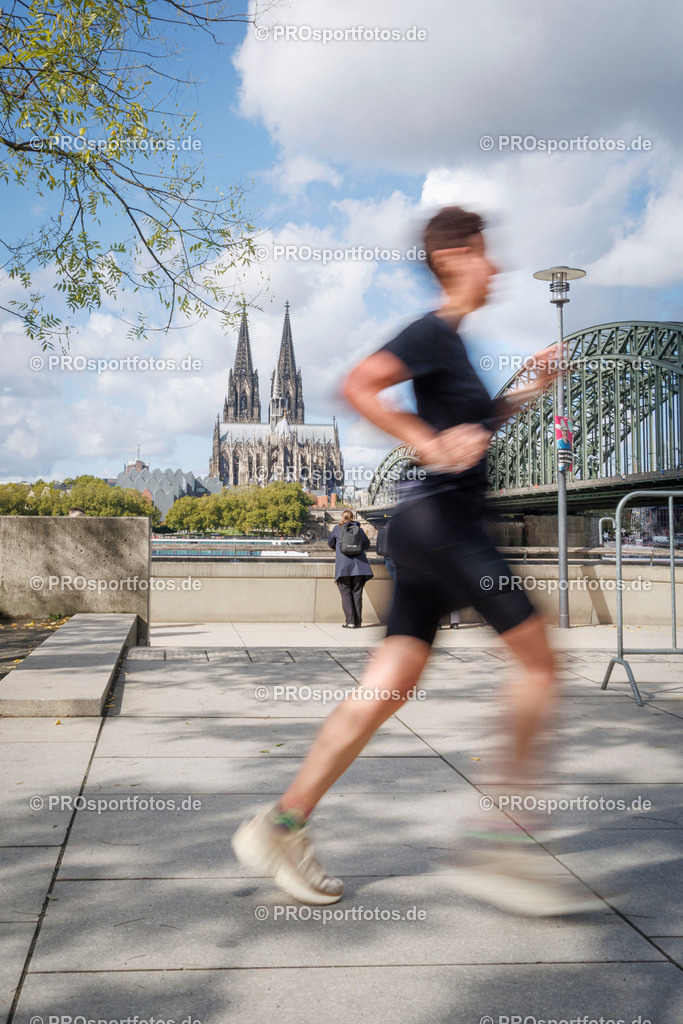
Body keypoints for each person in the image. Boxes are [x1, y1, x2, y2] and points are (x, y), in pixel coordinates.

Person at [232, 205, 601, 916]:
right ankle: (506, 847)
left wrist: (522, 394)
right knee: (539, 663)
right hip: (447, 526)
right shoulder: (430, 332)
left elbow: (468, 431)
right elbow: (359, 385)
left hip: (419, 529)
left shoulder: (452, 346)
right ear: (456, 257)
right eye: (485, 254)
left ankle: (280, 825)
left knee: (387, 687)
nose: (494, 267)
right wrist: (422, 441)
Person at [327, 509, 373, 628]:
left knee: (346, 594)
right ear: (353, 517)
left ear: (342, 518)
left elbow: (330, 543)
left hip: (343, 567)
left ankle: (350, 622)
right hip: (359, 567)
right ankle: (358, 622)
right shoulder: (360, 530)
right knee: (357, 594)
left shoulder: (338, 529)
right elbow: (367, 544)